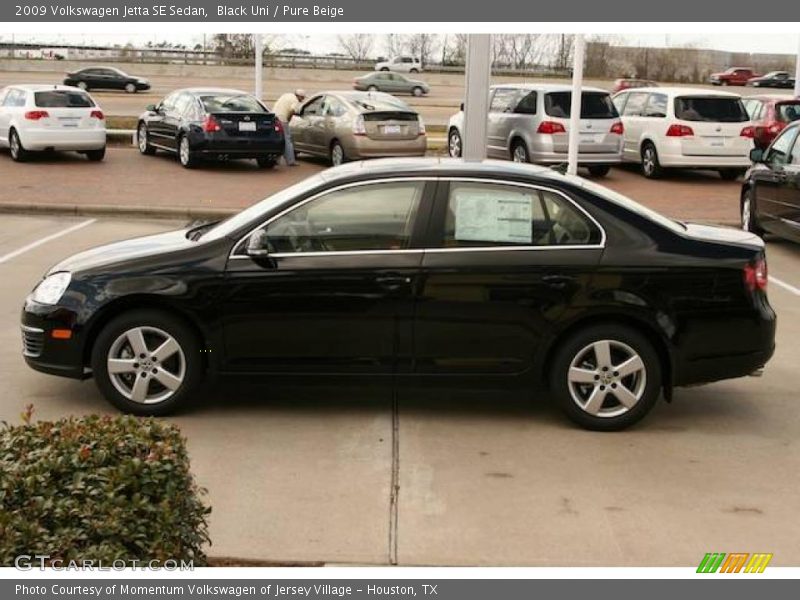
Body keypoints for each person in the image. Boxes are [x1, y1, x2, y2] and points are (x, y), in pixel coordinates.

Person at [272, 89, 306, 166]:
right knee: (288, 140)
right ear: (299, 96)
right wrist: (288, 119)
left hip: (274, 117)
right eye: (302, 98)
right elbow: (292, 111)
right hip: (282, 119)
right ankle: (291, 161)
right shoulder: (295, 101)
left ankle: (276, 159)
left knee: (278, 138)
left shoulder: (286, 95)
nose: (302, 100)